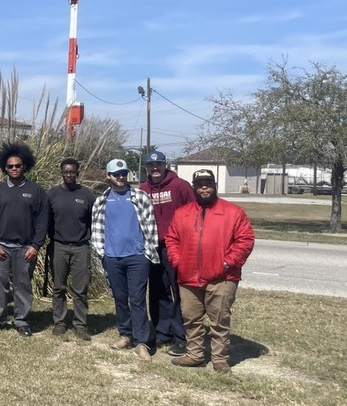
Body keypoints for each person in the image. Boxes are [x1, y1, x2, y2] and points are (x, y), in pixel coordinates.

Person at [166, 169, 255, 373]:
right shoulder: (182, 213)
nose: (204, 187)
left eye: (208, 183)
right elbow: (172, 239)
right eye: (199, 184)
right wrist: (178, 261)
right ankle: (195, 354)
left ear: (215, 185)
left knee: (219, 320)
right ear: (194, 187)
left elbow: (245, 240)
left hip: (222, 277)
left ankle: (220, 359)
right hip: (188, 277)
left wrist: (227, 263)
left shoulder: (233, 212)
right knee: (191, 318)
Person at [91, 159, 159, 360]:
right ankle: (125, 334)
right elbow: (96, 229)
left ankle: (142, 342)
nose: (120, 177)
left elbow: (151, 225)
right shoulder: (102, 200)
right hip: (112, 257)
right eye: (116, 174)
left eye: (123, 173)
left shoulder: (139, 196)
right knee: (120, 298)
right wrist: (102, 253)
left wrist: (147, 253)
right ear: (108, 176)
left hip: (137, 257)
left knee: (137, 299)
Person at [0, 142, 48, 337]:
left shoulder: (36, 191)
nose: (14, 169)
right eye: (10, 166)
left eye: (18, 165)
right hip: (0, 248)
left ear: (24, 166)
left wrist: (36, 245)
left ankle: (21, 321)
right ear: (5, 168)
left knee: (23, 286)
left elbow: (43, 222)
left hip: (25, 249)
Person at [139, 150, 195, 356]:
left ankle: (181, 334)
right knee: (157, 290)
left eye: (159, 165)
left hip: (176, 246)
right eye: (151, 166)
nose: (155, 169)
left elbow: (193, 212)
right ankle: (162, 331)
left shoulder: (179, 186)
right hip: (153, 246)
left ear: (165, 165)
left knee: (178, 290)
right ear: (146, 168)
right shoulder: (143, 189)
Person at [46, 158, 95, 341]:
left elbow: (93, 220)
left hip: (81, 247)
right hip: (59, 245)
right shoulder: (52, 194)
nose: (69, 175)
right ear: (61, 173)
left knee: (80, 289)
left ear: (77, 173)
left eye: (72, 172)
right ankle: (59, 322)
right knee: (59, 287)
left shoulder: (87, 195)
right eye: (66, 172)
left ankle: (80, 324)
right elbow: (46, 220)